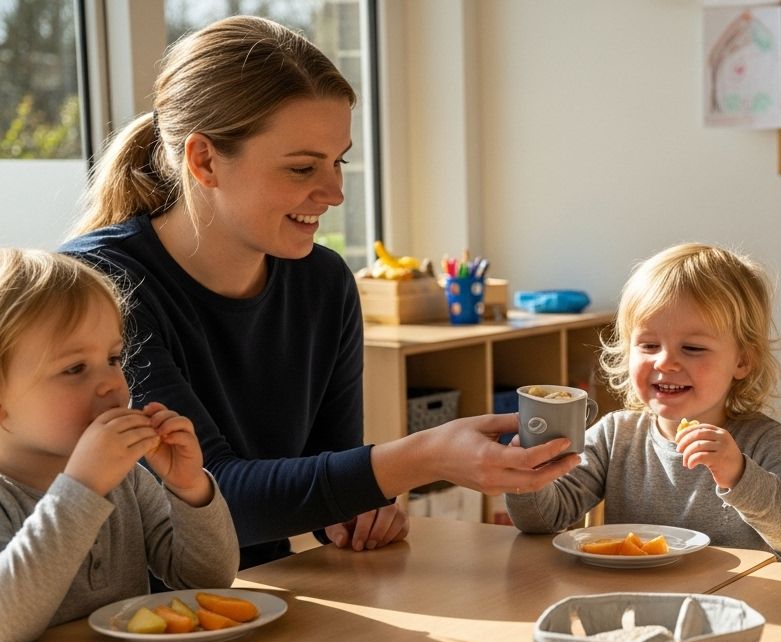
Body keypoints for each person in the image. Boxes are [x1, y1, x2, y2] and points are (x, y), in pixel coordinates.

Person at [61, 16, 576, 569]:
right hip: (133, 612)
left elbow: (323, 480)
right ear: (204, 160)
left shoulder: (324, 283)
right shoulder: (99, 287)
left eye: (339, 161)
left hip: (263, 598)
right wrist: (421, 458)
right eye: (303, 167)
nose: (334, 192)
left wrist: (358, 508)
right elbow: (211, 500)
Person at [506, 243, 781, 561]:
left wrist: (739, 475)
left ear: (742, 361)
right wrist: (526, 476)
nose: (665, 362)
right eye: (648, 345)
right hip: (630, 596)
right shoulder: (616, 436)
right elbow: (543, 521)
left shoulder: (763, 441)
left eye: (693, 348)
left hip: (732, 597)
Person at [0, 248, 238, 642]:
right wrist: (82, 489)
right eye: (75, 368)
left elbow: (207, 579)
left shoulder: (126, 478)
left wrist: (189, 488)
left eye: (113, 358)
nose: (112, 382)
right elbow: (6, 623)